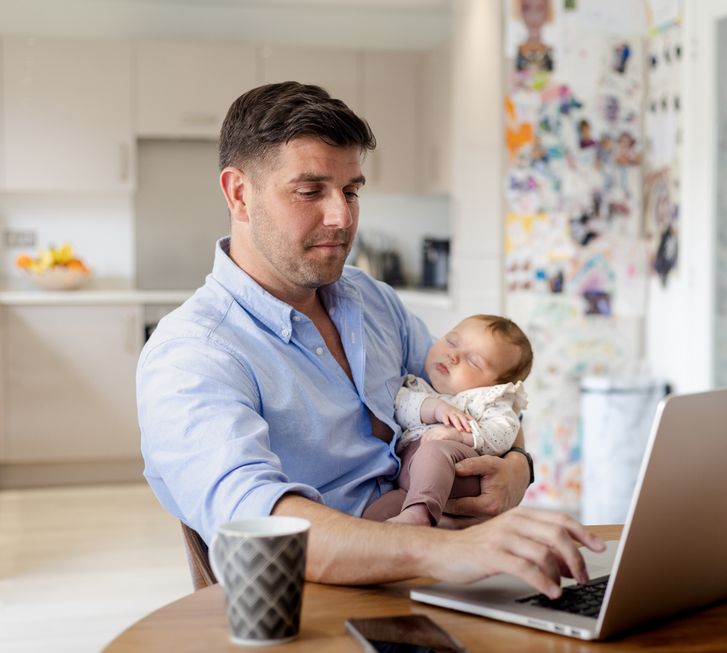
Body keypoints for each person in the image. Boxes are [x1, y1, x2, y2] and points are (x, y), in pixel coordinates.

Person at [136, 81, 602, 599]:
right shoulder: (193, 355)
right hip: (325, 605)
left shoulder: (372, 300)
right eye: (311, 191)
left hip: (441, 578)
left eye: (351, 190)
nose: (342, 217)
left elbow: (475, 399)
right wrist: (446, 551)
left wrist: (519, 467)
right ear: (239, 194)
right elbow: (260, 527)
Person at [363, 315, 532, 526]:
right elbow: (400, 406)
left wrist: (460, 436)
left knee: (434, 450)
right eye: (451, 342)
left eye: (473, 361)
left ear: (496, 386)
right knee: (375, 515)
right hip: (408, 488)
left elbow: (504, 433)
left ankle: (419, 513)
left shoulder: (487, 402)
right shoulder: (419, 387)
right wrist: (436, 408)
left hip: (458, 472)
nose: (453, 355)